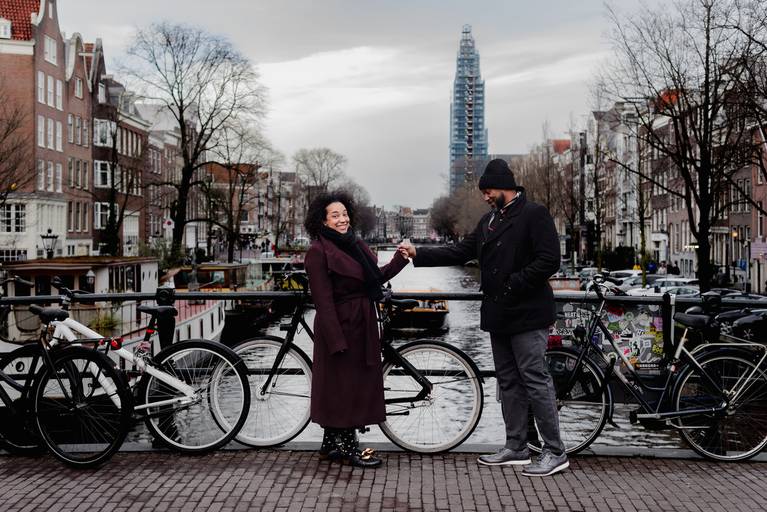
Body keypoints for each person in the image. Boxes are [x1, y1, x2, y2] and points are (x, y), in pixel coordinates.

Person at [398, 159, 568, 477]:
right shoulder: (489, 221)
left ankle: (555, 451)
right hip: (498, 313)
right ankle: (516, 446)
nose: (485, 197)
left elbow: (549, 260)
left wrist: (515, 282)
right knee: (508, 382)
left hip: (527, 312)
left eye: (488, 191)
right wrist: (418, 253)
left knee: (535, 380)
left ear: (504, 186)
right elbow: (460, 252)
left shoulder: (535, 215)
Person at [303, 190, 409, 468]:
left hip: (362, 323)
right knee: (343, 387)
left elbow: (374, 278)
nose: (342, 219)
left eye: (344, 214)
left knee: (350, 385)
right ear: (323, 221)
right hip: (339, 326)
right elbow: (323, 301)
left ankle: (329, 447)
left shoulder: (357, 245)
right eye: (335, 215)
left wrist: (400, 259)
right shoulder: (317, 252)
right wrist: (335, 340)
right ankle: (349, 448)